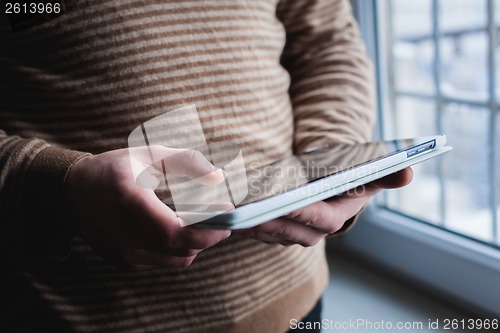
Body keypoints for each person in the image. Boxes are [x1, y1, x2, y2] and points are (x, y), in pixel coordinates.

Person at [0, 0, 412, 332]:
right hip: (79, 314)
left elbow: (326, 41)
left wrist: (331, 160)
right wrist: (55, 182)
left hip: (296, 304)